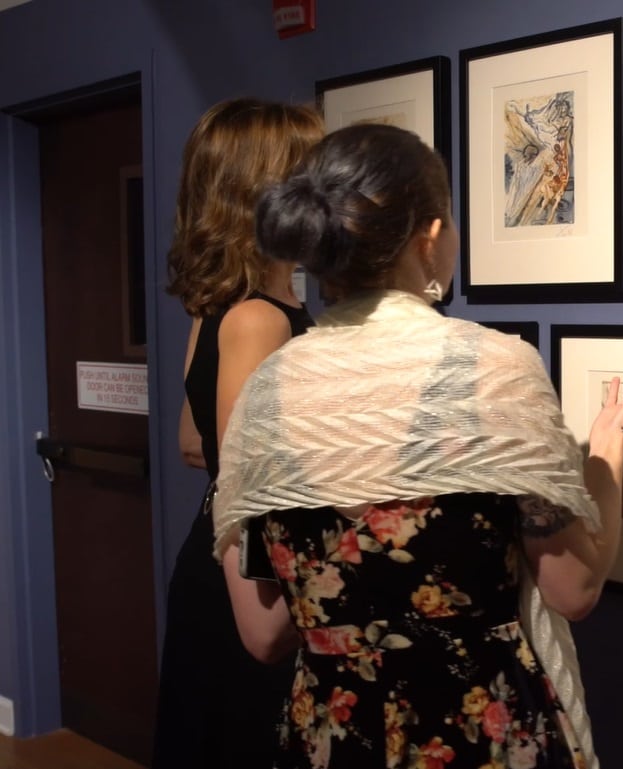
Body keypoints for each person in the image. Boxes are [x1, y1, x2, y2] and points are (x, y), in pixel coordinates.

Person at [209, 122, 623, 768]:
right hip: (477, 737)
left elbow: (262, 634)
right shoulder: (493, 370)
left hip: (334, 741)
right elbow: (573, 588)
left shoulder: (266, 393)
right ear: (429, 239)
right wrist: (605, 448)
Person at [154, 98, 324, 769]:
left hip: (224, 565)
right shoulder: (261, 320)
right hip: (253, 582)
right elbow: (248, 489)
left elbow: (194, 443)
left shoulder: (225, 305)